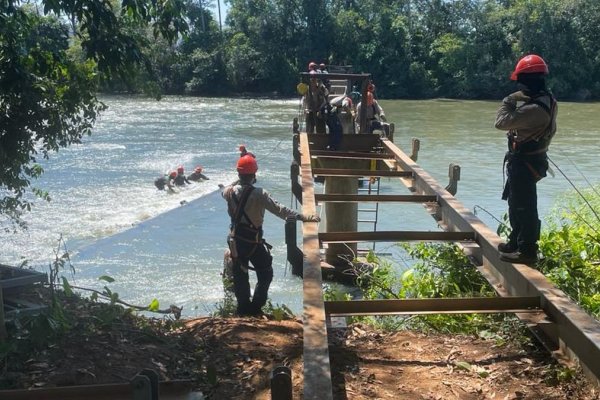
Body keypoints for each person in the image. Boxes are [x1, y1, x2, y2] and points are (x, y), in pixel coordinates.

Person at [221, 155, 320, 316]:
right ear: (254, 175)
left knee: (240, 273)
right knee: (265, 273)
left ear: (238, 175)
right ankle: (255, 307)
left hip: (235, 241)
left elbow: (226, 188)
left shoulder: (228, 192)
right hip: (253, 241)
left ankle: (243, 309)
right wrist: (304, 217)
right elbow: (281, 211)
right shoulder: (259, 194)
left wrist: (237, 180)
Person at [495, 54, 558, 264]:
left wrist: (510, 100)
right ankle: (516, 241)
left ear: (527, 82)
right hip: (528, 161)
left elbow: (501, 122)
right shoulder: (546, 100)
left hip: (525, 163)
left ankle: (527, 250)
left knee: (525, 206)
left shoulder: (534, 109)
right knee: (516, 203)